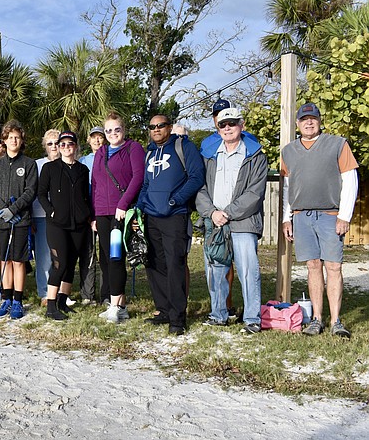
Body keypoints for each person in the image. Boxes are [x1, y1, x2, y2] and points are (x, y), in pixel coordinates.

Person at [281, 103, 359, 338]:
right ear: (297, 124)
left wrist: (344, 216)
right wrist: (286, 218)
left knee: (333, 266)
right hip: (301, 216)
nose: (309, 122)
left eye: (313, 118)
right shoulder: (288, 151)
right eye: (304, 119)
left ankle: (336, 321)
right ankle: (317, 319)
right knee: (313, 265)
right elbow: (288, 187)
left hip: (330, 215)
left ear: (319, 121)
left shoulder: (337, 144)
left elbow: (350, 180)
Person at [196, 108, 267, 334]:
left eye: (232, 123)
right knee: (215, 271)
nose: (227, 128)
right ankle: (218, 315)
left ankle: (252, 319)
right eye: (223, 124)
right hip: (215, 221)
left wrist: (227, 213)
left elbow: (255, 193)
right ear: (218, 128)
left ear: (241, 125)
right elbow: (199, 187)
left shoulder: (255, 155)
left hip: (243, 222)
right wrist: (211, 213)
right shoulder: (208, 155)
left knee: (248, 271)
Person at [137, 114, 205, 335]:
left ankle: (177, 318)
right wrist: (140, 207)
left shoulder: (183, 147)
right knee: (154, 263)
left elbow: (196, 177)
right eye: (152, 127)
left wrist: (176, 200)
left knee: (175, 264)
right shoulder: (149, 152)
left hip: (175, 215)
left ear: (169, 127)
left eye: (161, 125)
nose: (156, 129)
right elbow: (146, 184)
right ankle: (164, 310)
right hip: (151, 216)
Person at [92, 113, 146, 323]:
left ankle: (114, 306)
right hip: (102, 212)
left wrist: (123, 204)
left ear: (123, 130)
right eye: (108, 130)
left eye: (117, 129)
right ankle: (120, 305)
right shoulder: (101, 152)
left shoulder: (133, 148)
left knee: (116, 258)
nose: (113, 133)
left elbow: (138, 178)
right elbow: (95, 183)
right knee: (107, 259)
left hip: (120, 212)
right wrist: (94, 214)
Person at [38, 131, 94, 320]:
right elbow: (41, 194)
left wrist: (88, 215)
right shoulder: (50, 168)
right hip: (57, 224)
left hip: (79, 224)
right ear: (58, 147)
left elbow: (85, 195)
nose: (66, 147)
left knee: (71, 263)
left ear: (75, 146)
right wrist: (51, 211)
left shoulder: (82, 170)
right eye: (62, 144)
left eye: (70, 144)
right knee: (59, 263)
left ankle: (63, 301)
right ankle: (51, 306)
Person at [0, 120, 37, 320]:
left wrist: (14, 209)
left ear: (21, 140)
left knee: (18, 260)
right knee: (4, 260)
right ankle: (6, 298)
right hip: (0, 221)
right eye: (10, 137)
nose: (14, 140)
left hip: (21, 221)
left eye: (17, 137)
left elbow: (30, 191)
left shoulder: (29, 164)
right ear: (4, 140)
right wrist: (2, 209)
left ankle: (17, 300)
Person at [77, 127, 107, 304]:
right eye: (93, 137)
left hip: (105, 210)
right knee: (87, 254)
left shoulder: (110, 157)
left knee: (106, 253)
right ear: (88, 140)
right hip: (87, 212)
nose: (97, 140)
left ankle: (106, 294)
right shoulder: (83, 161)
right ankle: (87, 295)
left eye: (100, 137)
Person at [32, 129, 61, 306]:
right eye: (50, 144)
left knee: (60, 256)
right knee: (44, 257)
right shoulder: (37, 165)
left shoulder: (67, 163)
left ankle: (59, 291)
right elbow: (31, 191)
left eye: (57, 143)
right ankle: (44, 292)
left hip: (61, 218)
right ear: (45, 146)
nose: (54, 147)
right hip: (40, 215)